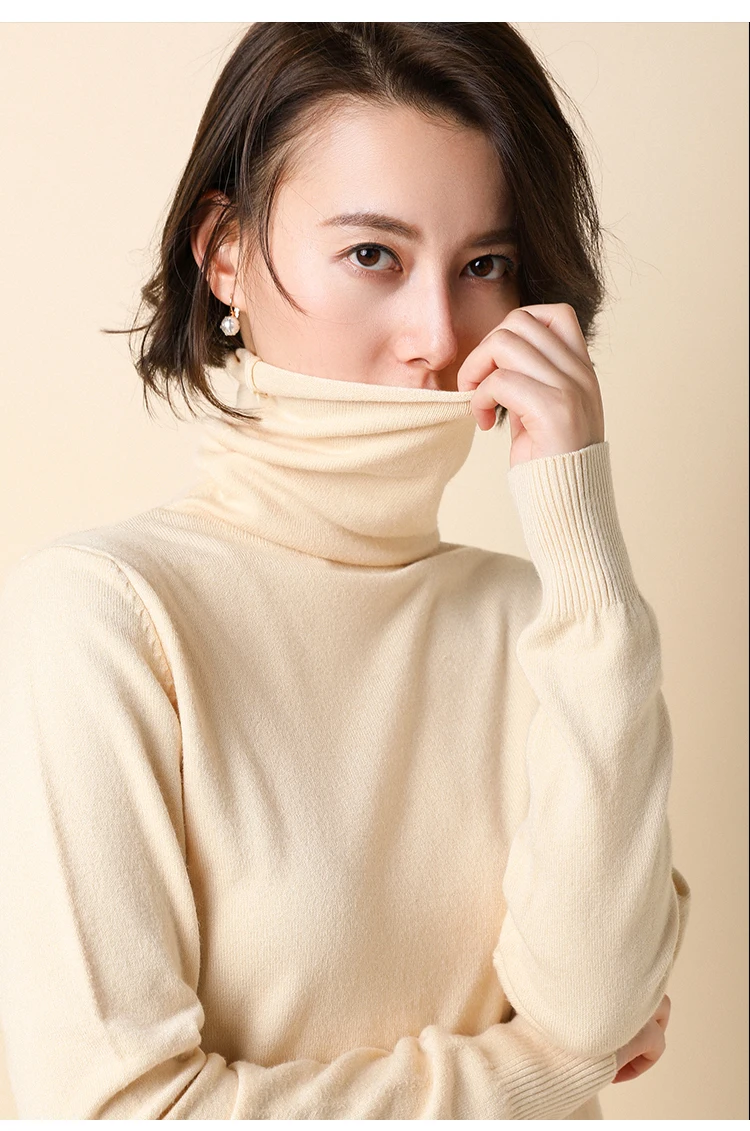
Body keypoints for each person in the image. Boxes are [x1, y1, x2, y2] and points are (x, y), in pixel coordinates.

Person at [0, 22, 691, 1119]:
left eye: (485, 266)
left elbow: (597, 999)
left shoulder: (556, 625)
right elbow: (122, 1114)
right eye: (374, 255)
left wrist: (584, 536)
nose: (436, 336)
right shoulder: (105, 618)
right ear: (225, 255)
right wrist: (548, 1072)